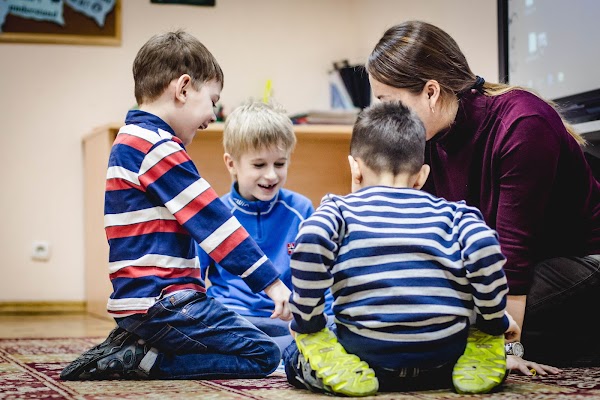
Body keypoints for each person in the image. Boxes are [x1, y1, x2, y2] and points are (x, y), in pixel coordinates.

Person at [366, 20, 600, 372]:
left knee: (459, 313)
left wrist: (506, 354)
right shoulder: (427, 139)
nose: (386, 117)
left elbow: (513, 258)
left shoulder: (522, 124)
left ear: (430, 92)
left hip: (578, 260)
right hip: (505, 264)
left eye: (389, 102)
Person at [60, 30, 292, 381]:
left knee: (264, 333)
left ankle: (137, 345)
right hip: (166, 303)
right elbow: (213, 222)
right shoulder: (158, 147)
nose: (213, 115)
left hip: (142, 304)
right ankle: (145, 361)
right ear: (183, 89)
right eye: (212, 100)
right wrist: (271, 284)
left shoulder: (130, 139)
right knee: (264, 354)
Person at [283, 101, 518, 396]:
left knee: (293, 353)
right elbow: (485, 247)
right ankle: (473, 355)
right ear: (421, 175)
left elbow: (311, 240)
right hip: (444, 357)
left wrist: (308, 322)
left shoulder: (339, 210)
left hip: (368, 355)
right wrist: (492, 321)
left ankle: (345, 368)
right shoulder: (456, 214)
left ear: (354, 168)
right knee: (469, 324)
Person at [199, 100, 325, 354]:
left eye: (279, 164)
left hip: (287, 322)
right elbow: (193, 282)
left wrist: (326, 321)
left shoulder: (301, 209)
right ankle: (271, 353)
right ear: (231, 163)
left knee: (330, 330)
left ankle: (268, 353)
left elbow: (319, 275)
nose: (271, 175)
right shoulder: (214, 216)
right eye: (259, 165)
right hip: (233, 320)